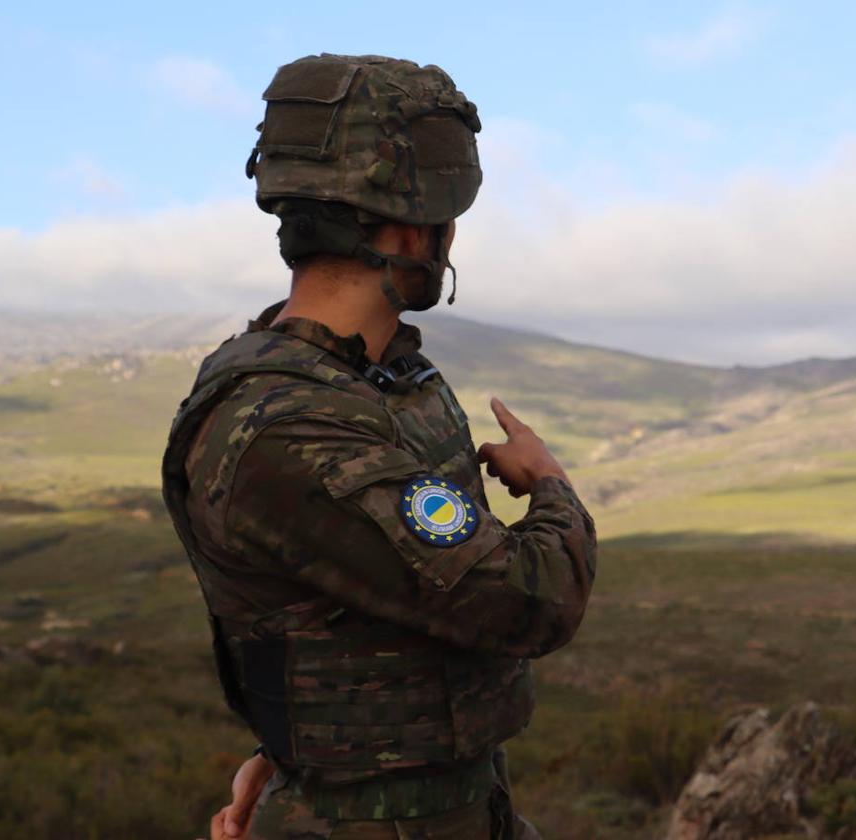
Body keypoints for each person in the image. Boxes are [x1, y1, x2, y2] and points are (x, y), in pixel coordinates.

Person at [160, 53, 598, 840]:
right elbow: (529, 599)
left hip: (449, 805)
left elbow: (341, 606)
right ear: (407, 227)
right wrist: (551, 487)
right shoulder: (289, 424)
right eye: (448, 215)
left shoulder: (376, 377)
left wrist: (290, 753)